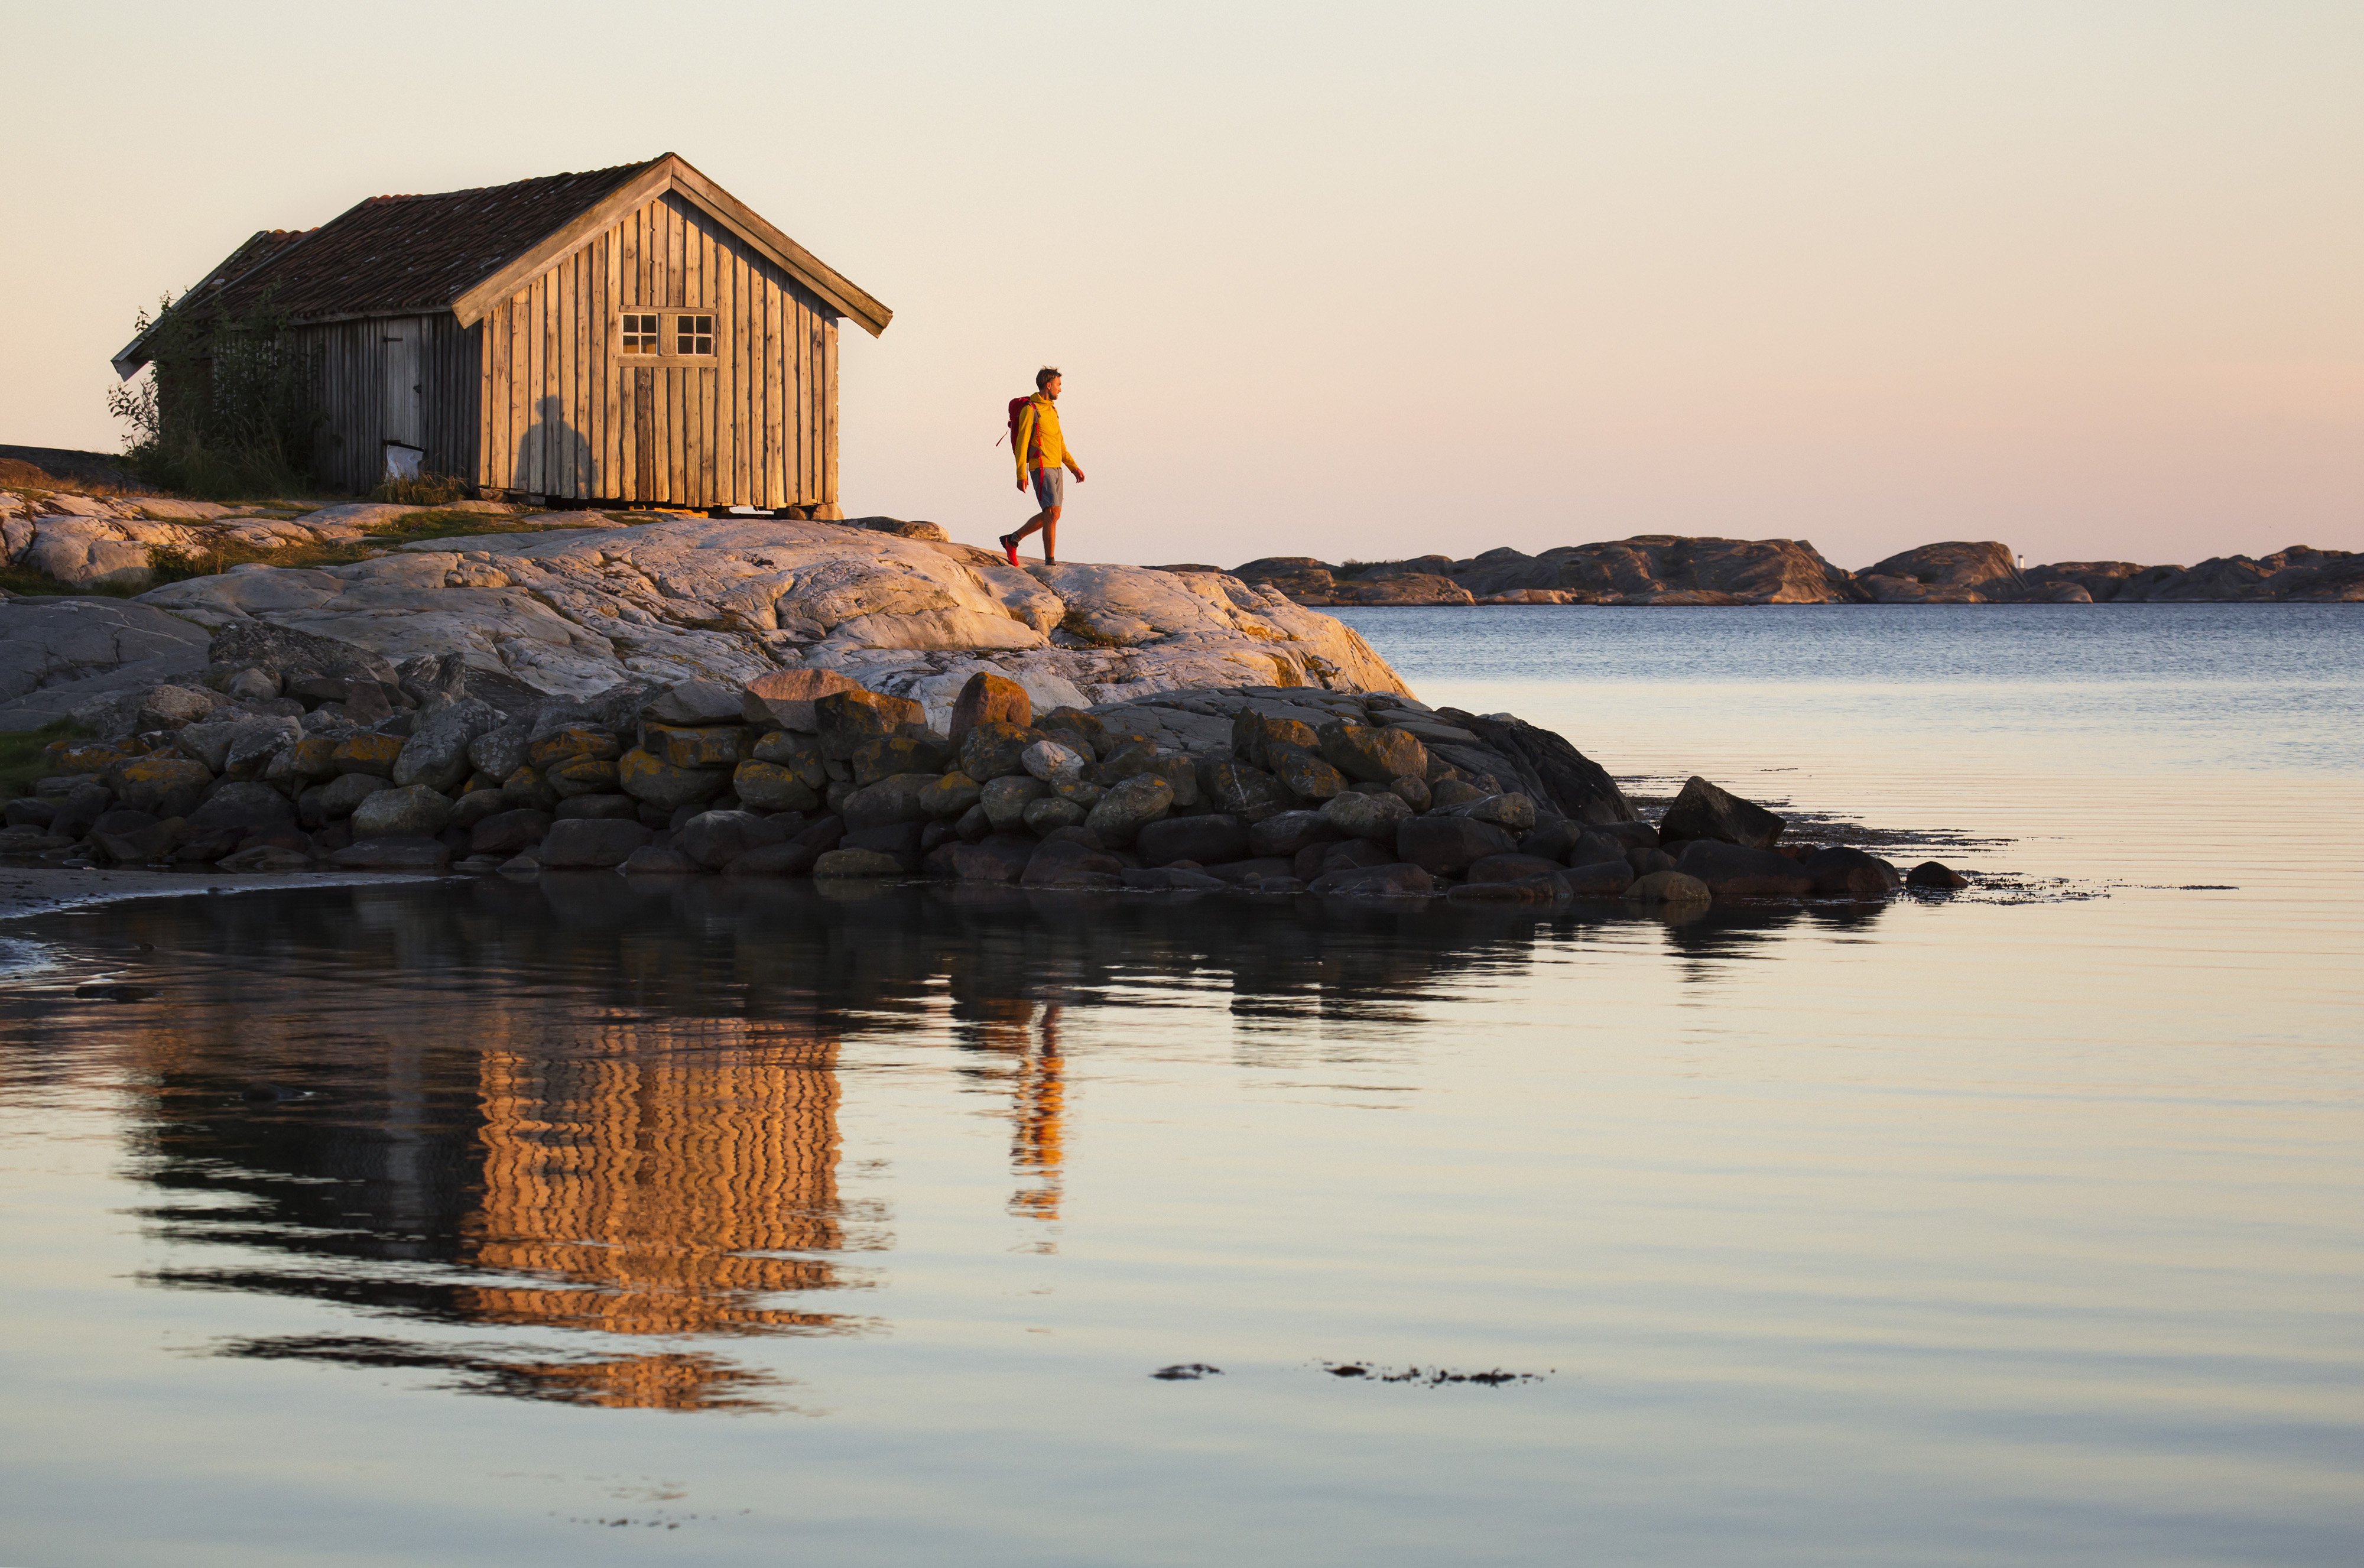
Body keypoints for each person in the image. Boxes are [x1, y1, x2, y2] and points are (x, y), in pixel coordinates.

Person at [1001, 367, 1086, 566]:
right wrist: (1021, 473)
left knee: (1054, 514)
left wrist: (1073, 467)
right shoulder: (1031, 409)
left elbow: (1060, 443)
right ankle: (1050, 562)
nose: (1060, 390)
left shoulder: (1053, 411)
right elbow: (1022, 443)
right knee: (1051, 513)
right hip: (1041, 466)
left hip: (1057, 467)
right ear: (1048, 385)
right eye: (1058, 385)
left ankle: (1012, 539)